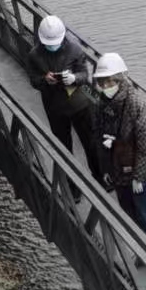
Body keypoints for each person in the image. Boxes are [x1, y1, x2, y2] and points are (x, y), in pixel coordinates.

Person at [87, 52, 146, 260]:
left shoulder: (135, 104)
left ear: (120, 79)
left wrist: (139, 177)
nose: (105, 86)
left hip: (139, 175)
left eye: (109, 81)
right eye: (101, 82)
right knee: (131, 218)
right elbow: (99, 139)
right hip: (118, 172)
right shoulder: (101, 105)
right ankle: (145, 255)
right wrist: (105, 169)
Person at [26, 14, 99, 177]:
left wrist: (74, 78)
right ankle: (71, 184)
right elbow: (33, 80)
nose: (52, 46)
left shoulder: (75, 49)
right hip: (55, 108)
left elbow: (84, 75)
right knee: (63, 148)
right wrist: (45, 80)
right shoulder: (34, 55)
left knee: (91, 144)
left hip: (79, 105)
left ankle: (99, 178)